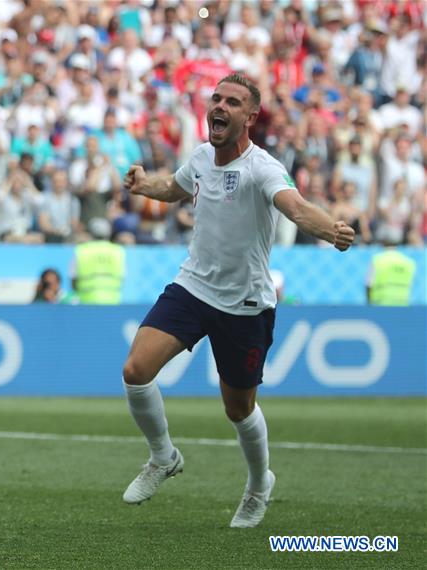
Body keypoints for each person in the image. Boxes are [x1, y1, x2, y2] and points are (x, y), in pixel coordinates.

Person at [119, 74, 355, 528]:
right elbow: (176, 188)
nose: (220, 106)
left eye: (233, 102)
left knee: (238, 409)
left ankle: (259, 485)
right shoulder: (201, 157)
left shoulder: (262, 168)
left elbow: (295, 207)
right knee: (136, 370)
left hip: (245, 303)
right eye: (217, 98)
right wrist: (145, 185)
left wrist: (332, 231)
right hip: (193, 286)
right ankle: (163, 457)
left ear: (250, 116)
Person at [72, 218, 125, 305]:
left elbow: (73, 279)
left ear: (90, 232)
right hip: (113, 302)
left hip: (86, 302)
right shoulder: (118, 251)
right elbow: (122, 277)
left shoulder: (81, 250)